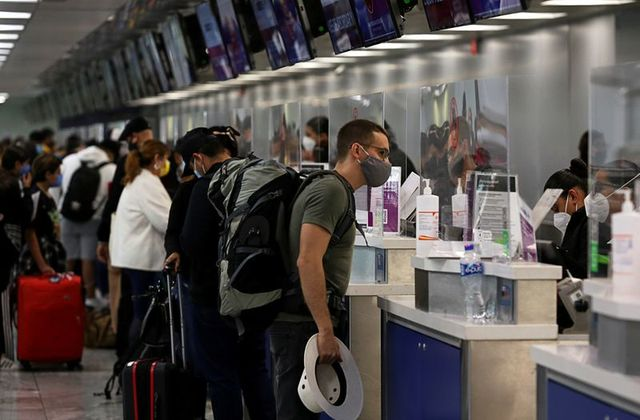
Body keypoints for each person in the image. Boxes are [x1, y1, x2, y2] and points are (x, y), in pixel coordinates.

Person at [269, 119, 391, 420]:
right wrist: (324, 329)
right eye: (382, 153)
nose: (386, 162)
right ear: (357, 150)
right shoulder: (331, 191)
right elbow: (307, 260)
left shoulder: (335, 189)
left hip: (304, 320)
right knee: (295, 412)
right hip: (301, 324)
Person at [179, 128, 276, 420]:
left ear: (198, 158)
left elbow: (192, 243)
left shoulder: (205, 186)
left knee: (222, 375)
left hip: (212, 297)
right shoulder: (257, 178)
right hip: (256, 291)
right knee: (256, 371)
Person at [96, 117, 153, 349]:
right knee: (139, 303)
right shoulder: (161, 163)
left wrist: (103, 236)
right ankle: (138, 350)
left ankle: (127, 351)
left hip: (127, 247)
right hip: (149, 251)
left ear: (135, 136)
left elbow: (113, 203)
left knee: (126, 300)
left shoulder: (128, 163)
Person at [109, 140, 171, 344]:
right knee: (144, 314)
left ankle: (134, 359)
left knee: (141, 312)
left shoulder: (140, 180)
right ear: (156, 159)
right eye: (165, 159)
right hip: (142, 260)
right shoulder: (146, 183)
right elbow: (164, 221)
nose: (166, 164)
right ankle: (137, 358)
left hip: (137, 257)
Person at [60, 140, 118, 308]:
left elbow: (62, 188)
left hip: (67, 215)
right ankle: (90, 297)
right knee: (87, 259)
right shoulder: (111, 169)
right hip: (92, 220)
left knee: (69, 257)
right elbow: (110, 197)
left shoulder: (70, 161)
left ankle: (64, 292)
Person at [542, 159, 590, 332]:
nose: (555, 215)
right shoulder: (575, 225)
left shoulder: (589, 227)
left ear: (573, 196)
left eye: (556, 208)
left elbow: (585, 274)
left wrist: (558, 255)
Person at [0, 146, 33, 360]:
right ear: (18, 164)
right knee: (4, 299)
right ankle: (6, 351)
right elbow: (24, 216)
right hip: (7, 244)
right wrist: (28, 190)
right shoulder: (13, 184)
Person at [20, 154, 65, 275]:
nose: (59, 176)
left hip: (51, 249)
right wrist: (42, 265)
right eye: (57, 173)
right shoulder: (35, 196)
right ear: (47, 174)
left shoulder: (48, 194)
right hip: (39, 254)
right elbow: (30, 232)